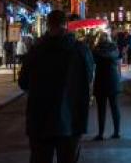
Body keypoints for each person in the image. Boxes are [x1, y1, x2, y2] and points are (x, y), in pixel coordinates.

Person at [18, 10, 94, 163]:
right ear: (66, 25)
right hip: (71, 119)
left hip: (40, 118)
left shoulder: (35, 51)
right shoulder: (81, 50)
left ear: (47, 25)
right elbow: (89, 78)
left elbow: (23, 82)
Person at [92, 32, 122, 140]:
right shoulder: (114, 48)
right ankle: (117, 132)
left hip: (101, 81)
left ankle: (101, 133)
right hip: (113, 80)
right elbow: (117, 59)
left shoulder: (96, 50)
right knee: (115, 108)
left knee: (101, 109)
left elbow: (93, 62)